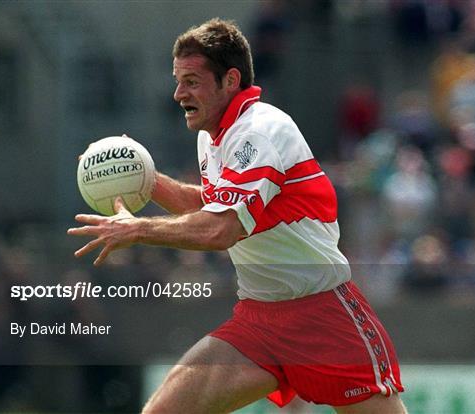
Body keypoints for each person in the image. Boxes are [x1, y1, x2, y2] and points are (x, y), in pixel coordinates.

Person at [68, 18, 407, 414]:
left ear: (230, 80)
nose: (179, 94)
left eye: (192, 81)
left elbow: (220, 230)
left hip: (322, 317)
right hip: (259, 320)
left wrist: (137, 228)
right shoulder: (212, 136)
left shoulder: (259, 131)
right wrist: (145, 180)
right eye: (178, 81)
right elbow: (211, 206)